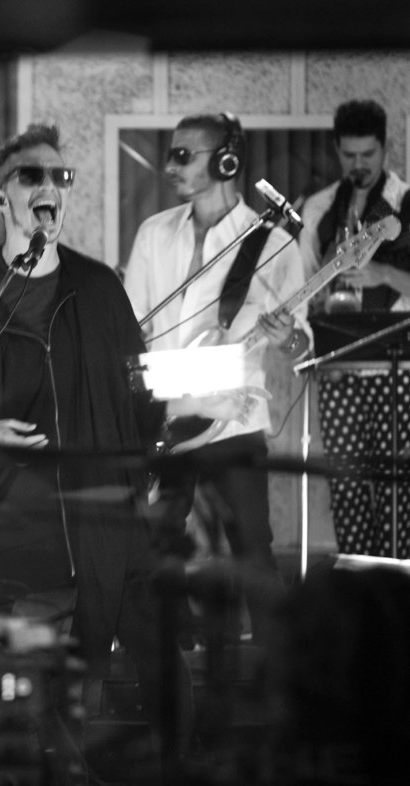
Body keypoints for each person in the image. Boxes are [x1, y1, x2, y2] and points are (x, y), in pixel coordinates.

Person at [0, 123, 193, 761]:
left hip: (103, 514)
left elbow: (141, 385)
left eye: (60, 176)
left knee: (162, 662)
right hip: (10, 530)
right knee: (37, 689)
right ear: (2, 199)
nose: (50, 186)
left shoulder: (99, 288)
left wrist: (156, 451)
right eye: (32, 176)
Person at [123, 112, 311, 646]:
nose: (170, 166)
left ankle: (280, 672)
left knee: (252, 549)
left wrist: (287, 338)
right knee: (155, 546)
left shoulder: (274, 245)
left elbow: (301, 345)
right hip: (167, 417)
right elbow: (131, 327)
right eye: (171, 153)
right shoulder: (154, 233)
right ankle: (167, 664)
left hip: (233, 421)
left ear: (227, 162)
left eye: (184, 155)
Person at [297, 99, 410, 559]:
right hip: (338, 363)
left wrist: (383, 273)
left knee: (399, 488)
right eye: (349, 156)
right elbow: (302, 288)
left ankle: (398, 590)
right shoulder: (321, 208)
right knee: (345, 486)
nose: (359, 165)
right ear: (336, 150)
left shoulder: (406, 202)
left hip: (399, 366)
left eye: (368, 155)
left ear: (385, 149)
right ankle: (355, 590)